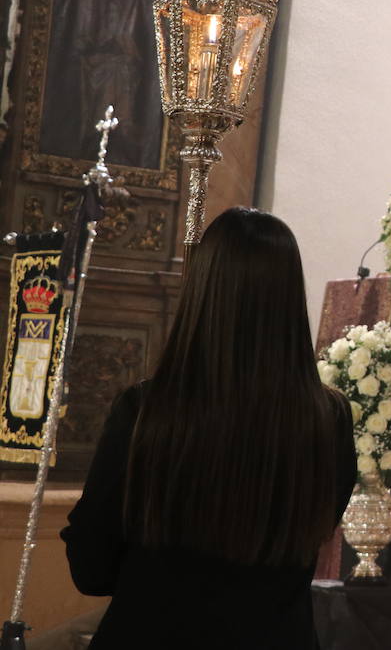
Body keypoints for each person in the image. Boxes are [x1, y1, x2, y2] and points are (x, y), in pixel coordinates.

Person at [61, 207, 355, 649]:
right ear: (291, 298)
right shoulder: (328, 420)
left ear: (202, 291)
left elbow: (91, 569)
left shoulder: (145, 411)